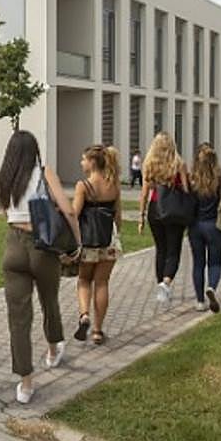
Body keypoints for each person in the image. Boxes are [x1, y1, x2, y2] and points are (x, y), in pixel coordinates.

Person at [0, 130, 80, 404]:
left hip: (13, 248)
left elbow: (6, 214)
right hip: (42, 246)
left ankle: (25, 383)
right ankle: (54, 348)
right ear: (35, 151)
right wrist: (76, 242)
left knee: (18, 319)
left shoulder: (5, 178)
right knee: (49, 300)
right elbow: (68, 210)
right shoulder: (45, 173)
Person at [72, 145, 123, 344]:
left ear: (92, 162)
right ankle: (97, 331)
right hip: (108, 240)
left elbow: (75, 214)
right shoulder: (114, 184)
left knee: (84, 280)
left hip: (88, 241)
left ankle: (84, 315)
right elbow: (117, 216)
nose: (81, 163)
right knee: (102, 283)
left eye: (83, 159)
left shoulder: (83, 186)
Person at [137, 132, 191, 306]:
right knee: (173, 250)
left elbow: (144, 193)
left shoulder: (149, 165)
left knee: (161, 249)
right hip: (174, 210)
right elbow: (186, 190)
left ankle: (161, 285)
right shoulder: (179, 164)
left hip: (155, 209)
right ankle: (166, 283)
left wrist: (141, 217)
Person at [187, 143, 221, 313]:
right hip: (215, 226)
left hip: (195, 227)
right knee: (215, 262)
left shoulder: (192, 178)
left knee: (198, 263)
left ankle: (200, 301)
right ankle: (211, 288)